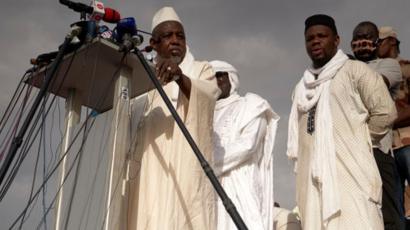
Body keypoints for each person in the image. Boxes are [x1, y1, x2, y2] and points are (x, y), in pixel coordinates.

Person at [287, 14, 396, 229]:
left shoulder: (355, 71)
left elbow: (385, 112)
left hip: (352, 171)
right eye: (310, 38)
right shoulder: (302, 87)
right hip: (312, 178)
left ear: (336, 40)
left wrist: (359, 139)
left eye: (322, 36)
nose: (315, 41)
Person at [126, 6, 220, 229]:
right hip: (148, 176)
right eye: (168, 36)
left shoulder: (201, 69)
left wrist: (180, 77)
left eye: (181, 36)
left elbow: (209, 93)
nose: (176, 40)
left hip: (185, 174)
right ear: (154, 44)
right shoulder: (141, 78)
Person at [209, 60, 279, 230]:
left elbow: (248, 145)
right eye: (210, 77)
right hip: (210, 186)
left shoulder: (251, 105)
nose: (216, 81)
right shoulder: (205, 111)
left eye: (220, 75)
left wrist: (209, 160)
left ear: (231, 78)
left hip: (241, 181)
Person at [351, 21, 404, 230]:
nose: (362, 41)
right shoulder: (346, 67)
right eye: (357, 37)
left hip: (378, 148)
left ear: (377, 42)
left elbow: (372, 86)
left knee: (388, 210)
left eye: (368, 37)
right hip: (352, 148)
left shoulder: (388, 65)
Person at [377, 26, 410, 220]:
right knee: (393, 201)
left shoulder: (406, 67)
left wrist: (390, 119)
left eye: (379, 42)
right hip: (387, 146)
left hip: (407, 140)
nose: (376, 46)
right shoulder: (375, 73)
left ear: (391, 42)